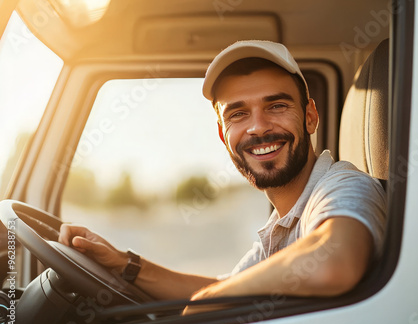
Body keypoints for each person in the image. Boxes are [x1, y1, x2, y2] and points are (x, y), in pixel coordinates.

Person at [59, 40, 386, 309]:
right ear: (223, 135)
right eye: (238, 114)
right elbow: (231, 286)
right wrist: (123, 264)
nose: (258, 127)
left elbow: (334, 263)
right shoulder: (283, 223)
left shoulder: (344, 184)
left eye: (277, 106)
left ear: (310, 117)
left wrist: (212, 300)